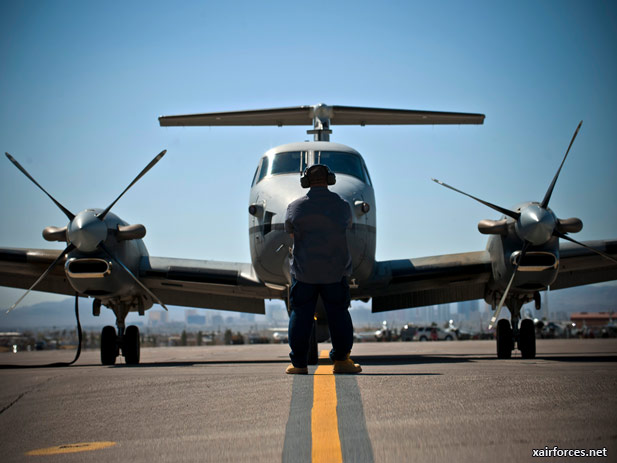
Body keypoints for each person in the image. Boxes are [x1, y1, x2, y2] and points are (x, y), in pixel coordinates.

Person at [284, 164, 362, 374]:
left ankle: (298, 364)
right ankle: (341, 361)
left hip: (304, 272)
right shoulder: (342, 206)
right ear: (330, 180)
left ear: (306, 182)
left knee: (300, 315)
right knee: (339, 314)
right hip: (335, 272)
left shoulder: (294, 207)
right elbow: (347, 226)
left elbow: (290, 232)